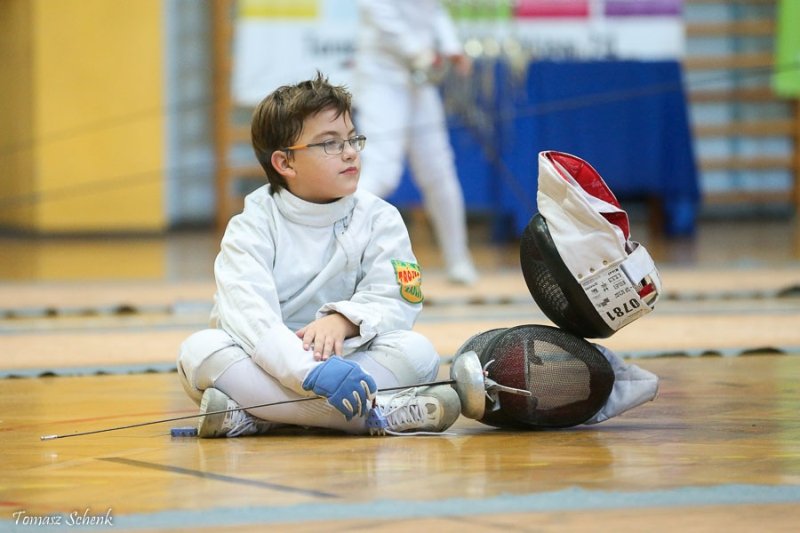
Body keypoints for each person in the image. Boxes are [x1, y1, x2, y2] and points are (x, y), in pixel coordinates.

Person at [176, 73, 461, 438]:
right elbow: (250, 317)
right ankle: (380, 415)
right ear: (285, 163)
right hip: (269, 363)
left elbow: (396, 300)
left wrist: (344, 321)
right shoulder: (251, 226)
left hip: (351, 358)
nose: (349, 152)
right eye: (329, 144)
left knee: (419, 352)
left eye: (352, 138)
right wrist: (307, 371)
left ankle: (260, 415)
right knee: (199, 352)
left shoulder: (380, 218)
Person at [353, 0, 479, 285]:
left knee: (439, 171)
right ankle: (340, 257)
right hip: (381, 78)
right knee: (381, 173)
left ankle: (458, 259)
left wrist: (452, 47)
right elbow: (375, 8)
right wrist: (415, 51)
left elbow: (433, 11)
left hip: (420, 81)